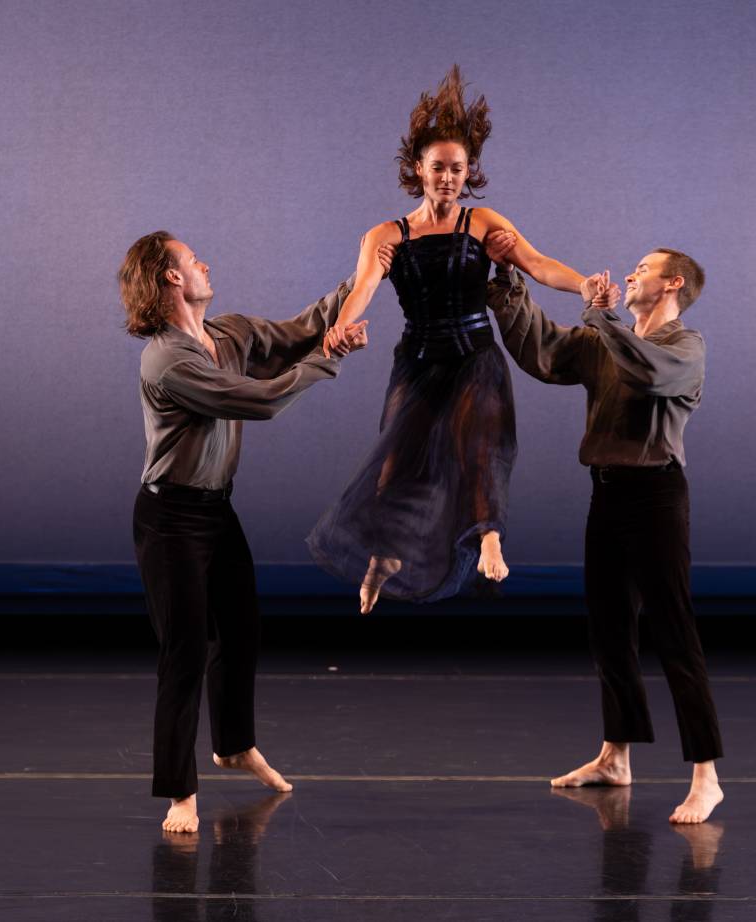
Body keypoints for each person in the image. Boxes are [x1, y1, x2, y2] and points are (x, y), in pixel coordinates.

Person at [120, 230, 389, 834]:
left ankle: (234, 744)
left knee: (241, 630)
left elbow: (301, 329)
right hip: (170, 520)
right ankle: (179, 793)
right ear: (170, 277)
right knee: (185, 650)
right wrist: (330, 360)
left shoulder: (230, 334)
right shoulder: (166, 359)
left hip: (216, 510)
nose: (204, 262)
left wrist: (364, 276)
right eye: (193, 259)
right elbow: (261, 401)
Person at [307, 65, 595, 613]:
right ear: (418, 170)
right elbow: (364, 286)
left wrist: (585, 285)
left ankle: (489, 539)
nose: (446, 178)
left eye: (456, 169)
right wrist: (343, 324)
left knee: (479, 443)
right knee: (396, 464)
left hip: (474, 355)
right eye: (437, 168)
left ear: (468, 173)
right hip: (418, 359)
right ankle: (384, 559)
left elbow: (536, 265)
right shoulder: (386, 235)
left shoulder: (483, 222)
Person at [484, 230, 725, 824]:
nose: (631, 273)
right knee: (610, 628)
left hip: (657, 498)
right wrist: (508, 278)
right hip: (608, 496)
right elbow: (543, 353)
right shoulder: (602, 339)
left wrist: (599, 315)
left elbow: (646, 373)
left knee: (673, 631)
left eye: (645, 268)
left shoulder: (685, 346)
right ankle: (615, 756)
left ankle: (707, 776)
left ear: (673, 284)